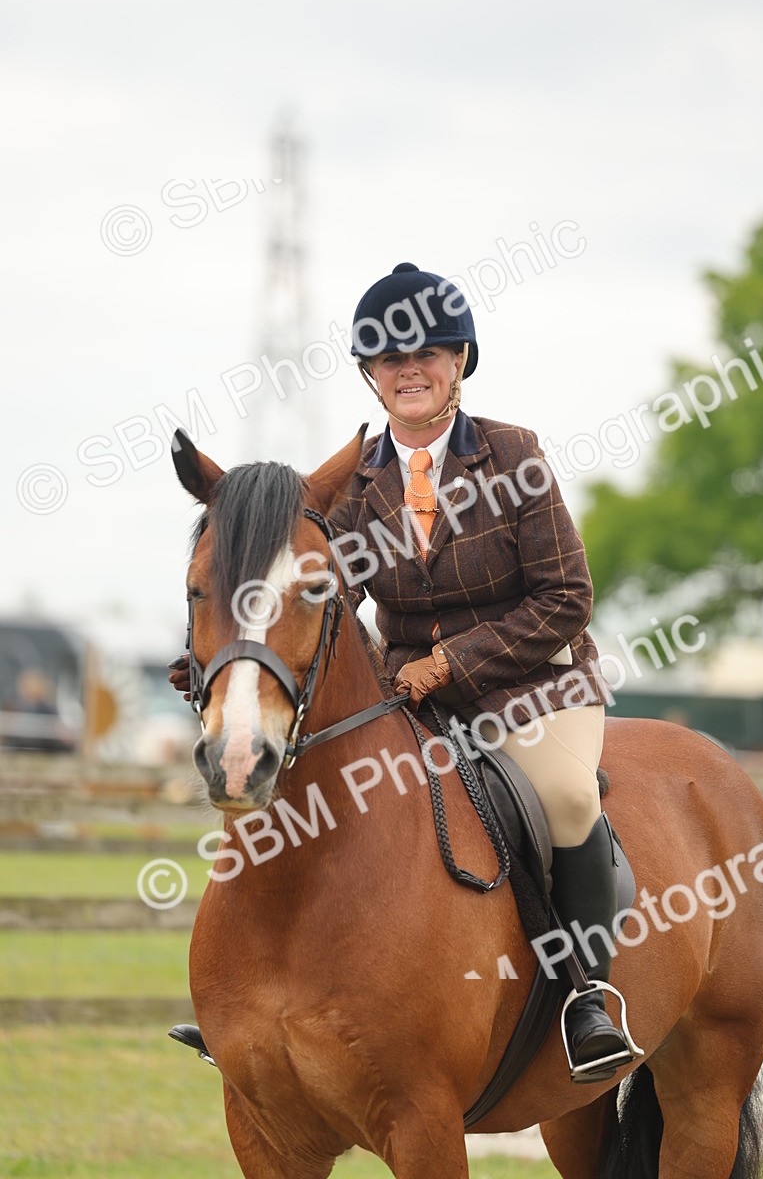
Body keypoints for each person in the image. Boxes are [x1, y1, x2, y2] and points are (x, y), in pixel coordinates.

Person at [168, 262, 634, 1082]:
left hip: (534, 686)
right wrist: (228, 659)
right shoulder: (353, 485)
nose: (409, 369)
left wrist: (449, 663)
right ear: (369, 376)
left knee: (564, 797)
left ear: (459, 363)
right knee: (308, 803)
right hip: (409, 696)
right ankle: (255, 996)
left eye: (429, 354)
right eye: (389, 359)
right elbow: (297, 591)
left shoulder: (512, 454)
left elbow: (566, 598)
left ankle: (584, 995)